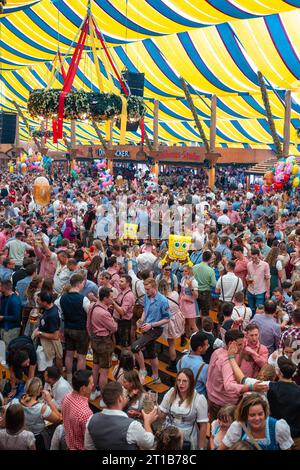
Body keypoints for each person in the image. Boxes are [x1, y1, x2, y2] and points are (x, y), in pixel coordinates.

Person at [206, 329, 268, 421]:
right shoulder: (226, 362)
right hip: (223, 404)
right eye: (239, 344)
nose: (242, 346)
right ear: (231, 343)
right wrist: (251, 387)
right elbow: (229, 386)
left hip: (212, 398)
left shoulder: (217, 351)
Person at [84, 381, 157, 450]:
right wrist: (147, 421)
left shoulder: (92, 419)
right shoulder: (132, 426)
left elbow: (88, 446)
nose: (125, 396)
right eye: (124, 394)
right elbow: (149, 443)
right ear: (120, 398)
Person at [218, 393, 294, 450]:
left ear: (265, 412)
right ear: (244, 415)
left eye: (260, 414)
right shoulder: (238, 427)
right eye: (252, 415)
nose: (257, 418)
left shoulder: (277, 427)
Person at [131, 278, 170, 384]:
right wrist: (141, 319)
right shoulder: (147, 297)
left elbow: (167, 319)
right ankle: (156, 377)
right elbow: (145, 310)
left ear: (154, 287)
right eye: (145, 289)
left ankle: (143, 370)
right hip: (146, 326)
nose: (146, 291)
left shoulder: (163, 301)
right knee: (152, 353)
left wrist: (151, 324)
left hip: (155, 329)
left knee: (135, 347)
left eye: (148, 289)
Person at [159, 368, 209, 450]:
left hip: (188, 435)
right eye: (178, 380)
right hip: (170, 433)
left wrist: (201, 448)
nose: (181, 384)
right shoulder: (171, 392)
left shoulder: (199, 399)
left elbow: (203, 426)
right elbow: (161, 415)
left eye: (185, 381)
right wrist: (154, 406)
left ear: (191, 382)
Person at [12, 377, 62, 450]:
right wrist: (50, 401)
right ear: (39, 391)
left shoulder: (15, 402)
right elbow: (59, 419)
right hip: (37, 439)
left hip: (20, 437)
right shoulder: (41, 408)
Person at [57, 273, 90, 383]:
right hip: (81, 330)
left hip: (67, 328)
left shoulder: (62, 298)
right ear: (79, 284)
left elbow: (61, 313)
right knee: (81, 357)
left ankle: (70, 378)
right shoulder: (83, 299)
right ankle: (80, 380)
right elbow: (89, 313)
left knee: (69, 354)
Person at [86, 287, 118, 400]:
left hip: (94, 339)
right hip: (104, 342)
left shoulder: (92, 306)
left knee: (95, 368)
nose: (113, 299)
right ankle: (104, 400)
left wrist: (92, 337)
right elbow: (114, 328)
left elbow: (88, 325)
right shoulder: (104, 313)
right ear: (105, 298)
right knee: (104, 371)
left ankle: (93, 391)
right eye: (111, 297)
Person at [267, 356, 300, 449]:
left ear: (279, 372)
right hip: (296, 436)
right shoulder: (298, 391)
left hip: (277, 436)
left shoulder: (272, 388)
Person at [61, 370, 93, 451]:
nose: (93, 385)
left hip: (69, 444)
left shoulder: (66, 397)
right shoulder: (86, 413)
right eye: (91, 383)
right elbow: (88, 441)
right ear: (83, 388)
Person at [158, 279, 185, 372]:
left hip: (170, 321)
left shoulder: (161, 300)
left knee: (171, 344)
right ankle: (183, 339)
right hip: (178, 316)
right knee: (181, 330)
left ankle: (173, 365)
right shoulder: (175, 293)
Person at [32, 291, 63, 371]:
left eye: (39, 300)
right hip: (43, 341)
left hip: (47, 345)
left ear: (45, 302)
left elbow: (56, 336)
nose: (37, 301)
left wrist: (40, 333)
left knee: (45, 367)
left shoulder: (52, 315)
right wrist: (41, 316)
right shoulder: (51, 307)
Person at [111, 274, 135, 349]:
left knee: (124, 347)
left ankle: (125, 360)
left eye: (121, 281)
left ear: (128, 283)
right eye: (119, 281)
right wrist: (113, 307)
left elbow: (122, 312)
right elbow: (119, 306)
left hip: (124, 324)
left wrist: (113, 303)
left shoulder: (128, 296)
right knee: (117, 344)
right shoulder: (122, 292)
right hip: (119, 322)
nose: (119, 283)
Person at [247, 248, 271, 317]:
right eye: (252, 258)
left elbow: (268, 279)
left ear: (259, 256)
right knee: (251, 309)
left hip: (260, 290)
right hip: (250, 290)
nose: (254, 260)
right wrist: (247, 278)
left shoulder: (265, 265)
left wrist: (268, 292)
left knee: (259, 311)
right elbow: (248, 275)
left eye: (255, 258)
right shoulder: (249, 264)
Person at [193, 251, 216, 320]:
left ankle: (194, 328)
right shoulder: (210, 270)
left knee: (195, 311)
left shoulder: (194, 267)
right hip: (205, 293)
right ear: (209, 259)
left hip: (195, 291)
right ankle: (204, 329)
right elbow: (213, 284)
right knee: (205, 313)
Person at [179, 265, 199, 339]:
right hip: (183, 304)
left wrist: (191, 287)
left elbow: (196, 296)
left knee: (192, 325)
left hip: (191, 305)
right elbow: (181, 292)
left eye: (186, 271)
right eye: (183, 271)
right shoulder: (183, 279)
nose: (184, 272)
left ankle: (199, 340)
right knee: (185, 324)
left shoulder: (193, 281)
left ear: (190, 272)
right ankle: (188, 338)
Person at [0, 279, 22, 346]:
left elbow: (17, 317)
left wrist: (3, 318)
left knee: (7, 349)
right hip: (4, 327)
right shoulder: (3, 297)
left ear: (4, 287)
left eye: (0, 286)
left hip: (11, 330)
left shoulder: (14, 300)